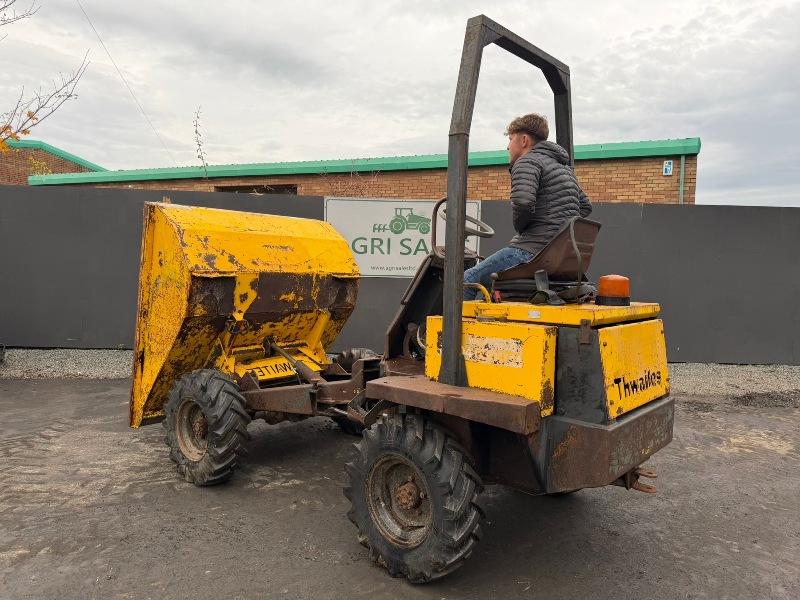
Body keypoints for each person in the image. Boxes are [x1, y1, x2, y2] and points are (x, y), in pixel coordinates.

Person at [463, 113, 592, 300]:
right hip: (561, 257)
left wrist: (524, 230)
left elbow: (523, 203)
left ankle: (454, 330)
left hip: (532, 252)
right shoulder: (564, 169)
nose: (508, 146)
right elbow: (586, 207)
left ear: (524, 140)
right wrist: (556, 230)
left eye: (510, 139)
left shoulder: (527, 161)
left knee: (468, 278)